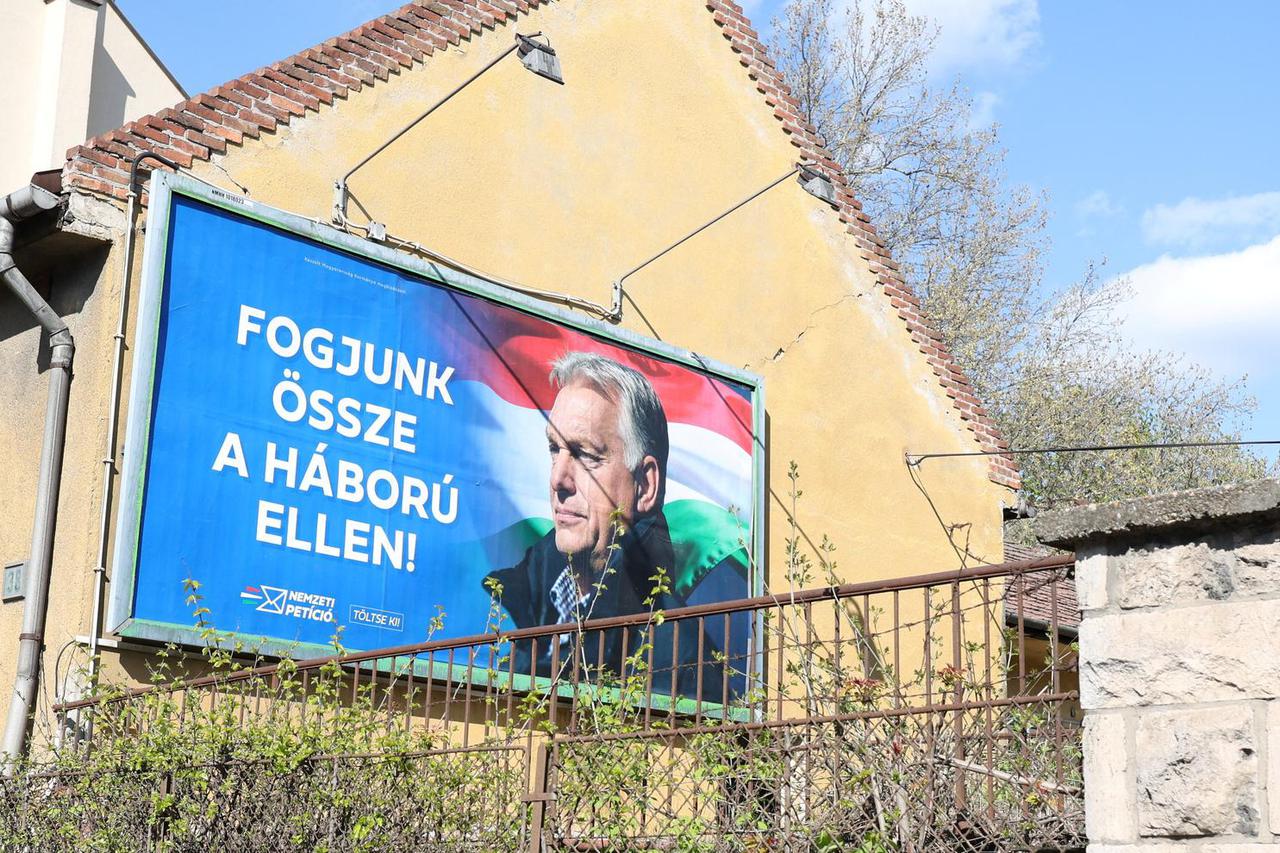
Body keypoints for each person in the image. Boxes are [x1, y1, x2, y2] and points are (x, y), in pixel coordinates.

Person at [484, 351, 730, 703]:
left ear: (645, 486)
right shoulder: (533, 596)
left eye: (585, 455)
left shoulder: (676, 653)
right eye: (555, 449)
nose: (558, 479)